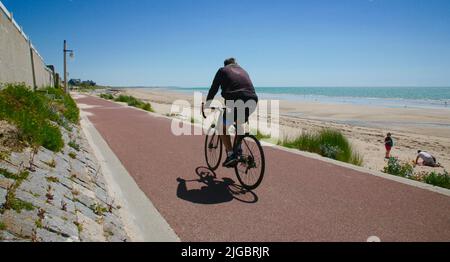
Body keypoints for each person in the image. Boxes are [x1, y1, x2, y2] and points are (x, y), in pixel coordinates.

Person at [203, 58, 259, 168]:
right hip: (252, 100)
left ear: (225, 65)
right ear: (236, 64)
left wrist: (208, 103)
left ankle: (230, 154)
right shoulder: (243, 70)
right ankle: (238, 150)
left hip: (235, 100)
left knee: (221, 127)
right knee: (239, 123)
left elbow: (214, 88)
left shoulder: (222, 70)